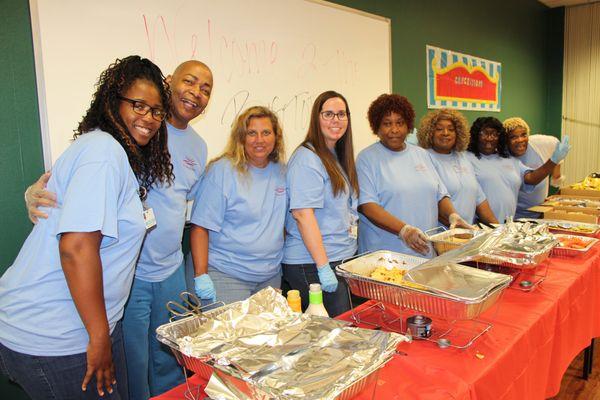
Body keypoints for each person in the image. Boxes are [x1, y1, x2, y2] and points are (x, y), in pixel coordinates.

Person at [23, 60, 213, 398]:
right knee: (134, 367)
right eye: (190, 81)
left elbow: (185, 206)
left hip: (170, 270)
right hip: (131, 275)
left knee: (171, 362)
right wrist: (33, 192)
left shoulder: (196, 147)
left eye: (206, 89)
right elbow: (69, 185)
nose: (196, 93)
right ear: (169, 83)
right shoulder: (117, 139)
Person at [0, 55, 172, 399]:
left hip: (81, 326)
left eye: (156, 111)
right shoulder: (103, 151)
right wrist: (98, 338)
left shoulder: (112, 152)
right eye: (139, 105)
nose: (148, 118)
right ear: (113, 101)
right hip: (56, 334)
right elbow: (76, 248)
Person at [189, 106, 286, 305]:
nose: (259, 140)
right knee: (229, 336)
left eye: (266, 132)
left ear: (276, 137)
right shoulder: (222, 171)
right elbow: (200, 227)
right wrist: (201, 275)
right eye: (252, 133)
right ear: (241, 137)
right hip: (226, 275)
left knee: (266, 335)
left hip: (270, 276)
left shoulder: (283, 173)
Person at [356, 94, 471, 258]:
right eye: (387, 124)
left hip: (424, 252)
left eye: (400, 123)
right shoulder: (367, 158)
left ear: (408, 125)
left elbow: (440, 194)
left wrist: (453, 215)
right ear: (377, 127)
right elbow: (368, 206)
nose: (394, 130)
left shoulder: (422, 155)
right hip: (385, 257)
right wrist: (404, 230)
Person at [282, 91, 358, 317]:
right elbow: (303, 215)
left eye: (341, 114)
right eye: (328, 114)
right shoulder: (307, 158)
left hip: (338, 258)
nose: (336, 120)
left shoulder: (336, 155)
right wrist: (323, 267)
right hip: (312, 264)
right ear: (316, 118)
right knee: (330, 341)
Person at [466, 116, 570, 223]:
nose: (489, 138)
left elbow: (530, 178)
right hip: (481, 225)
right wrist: (495, 226)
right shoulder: (466, 158)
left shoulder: (509, 160)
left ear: (500, 137)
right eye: (483, 133)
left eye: (494, 134)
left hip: (506, 225)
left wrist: (553, 160)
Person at [417, 109, 498, 225]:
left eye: (451, 129)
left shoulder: (463, 158)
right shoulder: (424, 158)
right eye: (439, 129)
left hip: (465, 235)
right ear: (430, 133)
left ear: (458, 133)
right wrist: (460, 230)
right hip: (441, 236)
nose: (445, 133)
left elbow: (479, 199)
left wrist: (499, 229)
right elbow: (429, 204)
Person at [503, 117, 566, 219]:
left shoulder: (540, 143)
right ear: (505, 140)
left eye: (523, 135)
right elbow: (530, 179)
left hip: (541, 213)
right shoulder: (502, 157)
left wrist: (556, 176)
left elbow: (557, 145)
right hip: (514, 217)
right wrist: (553, 161)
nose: (520, 140)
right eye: (513, 137)